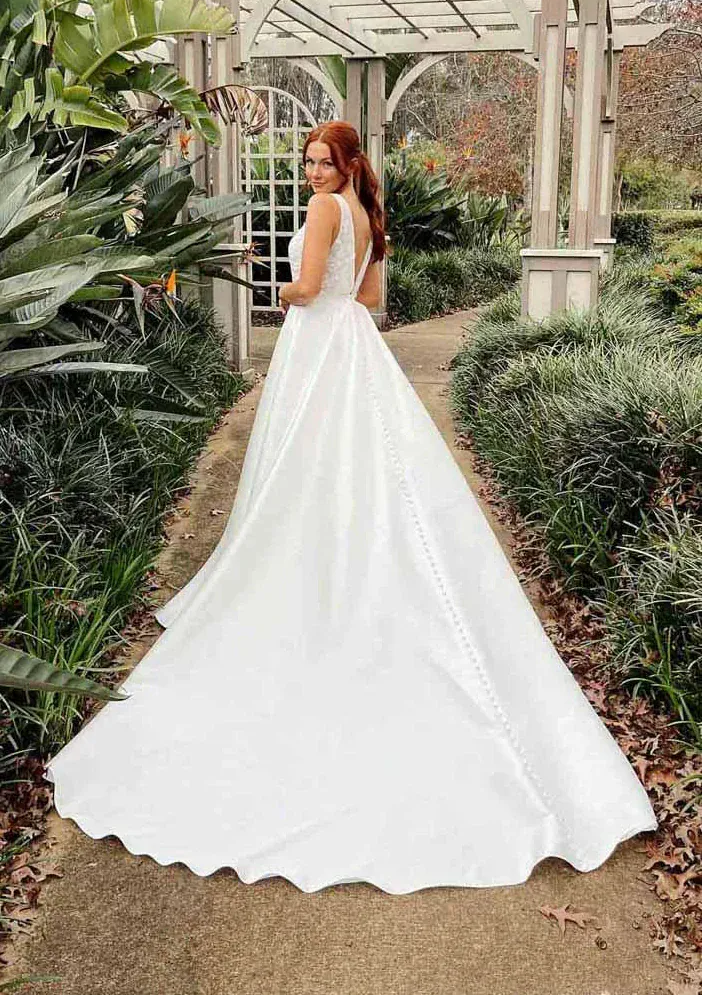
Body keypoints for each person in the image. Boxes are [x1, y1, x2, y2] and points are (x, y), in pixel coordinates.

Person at [43, 121, 657, 894]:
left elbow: (305, 291)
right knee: (359, 462)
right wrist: (322, 284)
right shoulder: (368, 214)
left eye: (318, 162)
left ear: (342, 165)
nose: (309, 173)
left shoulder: (330, 210)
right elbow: (367, 296)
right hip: (355, 345)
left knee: (304, 461)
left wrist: (272, 279)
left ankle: (306, 564)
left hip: (313, 342)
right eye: (306, 163)